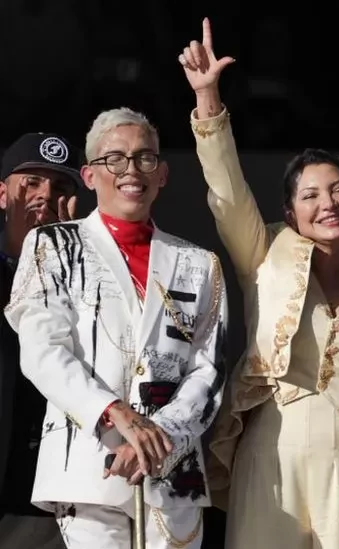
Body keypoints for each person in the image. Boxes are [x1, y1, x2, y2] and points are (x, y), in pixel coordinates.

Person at [179, 18, 339, 549]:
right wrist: (208, 99)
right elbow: (228, 192)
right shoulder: (264, 253)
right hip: (272, 456)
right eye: (310, 195)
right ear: (289, 210)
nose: (327, 203)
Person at [3, 105, 229, 549]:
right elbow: (42, 351)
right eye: (115, 159)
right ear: (89, 176)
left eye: (144, 158)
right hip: (89, 465)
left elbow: (209, 370)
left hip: (172, 470)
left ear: (162, 173)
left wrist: (158, 436)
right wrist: (116, 415)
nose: (131, 170)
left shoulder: (199, 263)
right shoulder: (53, 245)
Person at [0, 132, 82, 548]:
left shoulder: (89, 279)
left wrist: (64, 251)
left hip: (52, 494)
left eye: (61, 187)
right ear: (2, 194)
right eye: (31, 182)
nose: (45, 196)